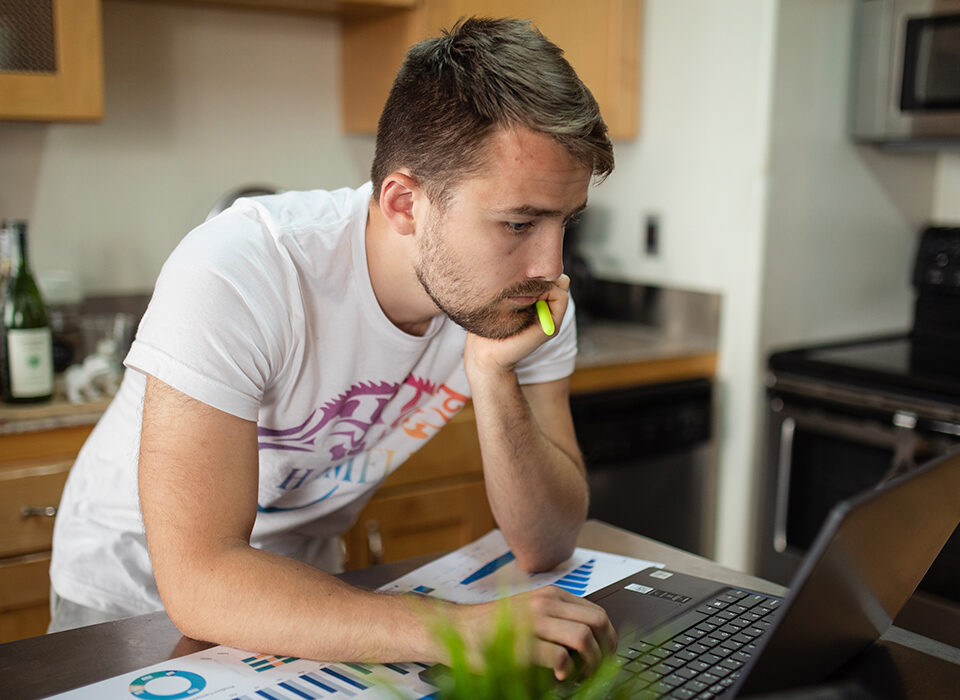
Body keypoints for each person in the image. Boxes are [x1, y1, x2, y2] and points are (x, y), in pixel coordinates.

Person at [49, 16, 616, 681]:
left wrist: (492, 375)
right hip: (131, 596)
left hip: (308, 594)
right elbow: (200, 583)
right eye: (518, 223)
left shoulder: (519, 298)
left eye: (563, 222)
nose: (550, 262)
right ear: (404, 203)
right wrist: (462, 630)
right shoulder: (241, 268)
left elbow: (545, 543)